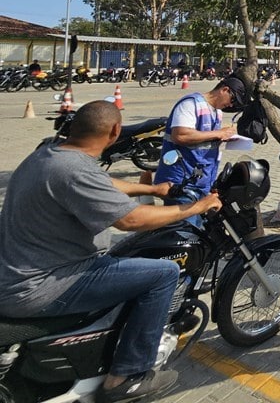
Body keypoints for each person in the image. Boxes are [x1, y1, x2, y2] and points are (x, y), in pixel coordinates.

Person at [0, 101, 222, 403]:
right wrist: (194, 208)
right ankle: (128, 376)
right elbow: (131, 221)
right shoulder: (73, 170)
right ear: (115, 131)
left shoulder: (47, 154)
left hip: (21, 272)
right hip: (44, 285)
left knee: (126, 261)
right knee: (163, 273)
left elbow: (101, 183)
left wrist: (152, 190)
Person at [155, 77, 246, 209]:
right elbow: (180, 135)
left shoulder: (217, 112)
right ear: (224, 90)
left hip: (200, 181)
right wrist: (218, 133)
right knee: (183, 226)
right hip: (181, 182)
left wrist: (223, 138)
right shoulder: (191, 104)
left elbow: (204, 138)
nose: (231, 105)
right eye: (233, 100)